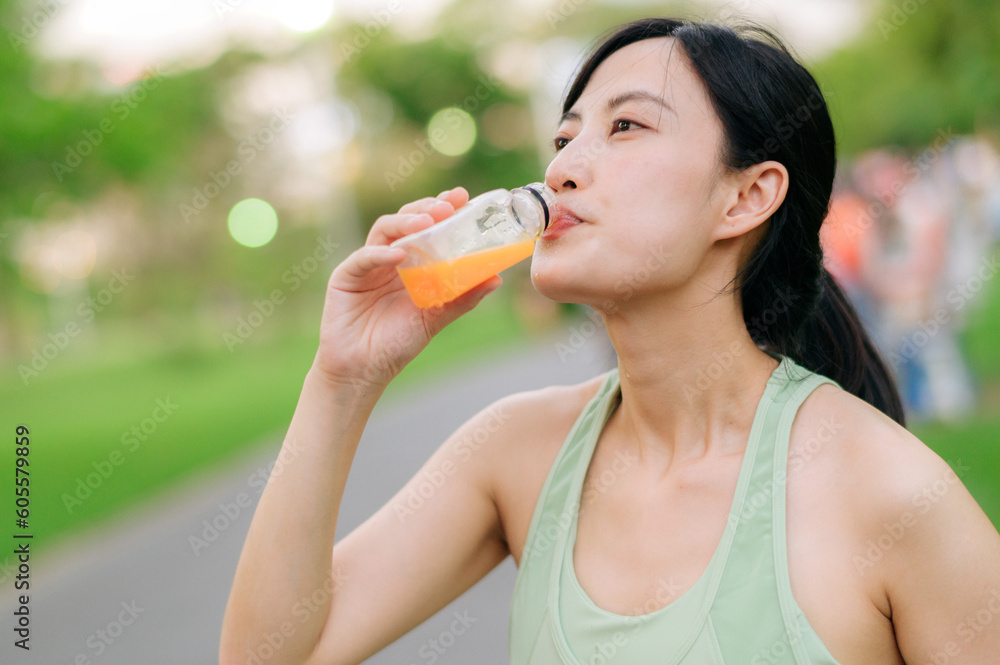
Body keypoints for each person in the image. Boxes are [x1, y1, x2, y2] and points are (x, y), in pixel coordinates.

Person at [220, 17, 1000, 665]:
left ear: (746, 195)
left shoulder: (889, 494)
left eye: (626, 126)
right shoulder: (517, 453)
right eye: (565, 137)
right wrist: (343, 377)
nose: (562, 167)